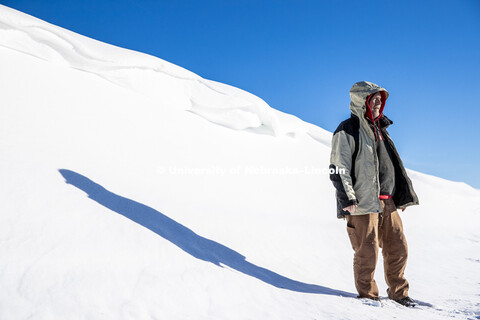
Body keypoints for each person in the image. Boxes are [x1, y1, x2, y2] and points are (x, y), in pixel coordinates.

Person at [329, 81, 419, 307]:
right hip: (360, 203)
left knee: (398, 248)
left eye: (381, 99)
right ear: (363, 101)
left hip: (387, 202)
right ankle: (368, 297)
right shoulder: (348, 129)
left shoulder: (381, 130)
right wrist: (347, 198)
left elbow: (391, 166)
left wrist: (401, 195)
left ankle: (399, 293)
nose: (379, 102)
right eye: (374, 98)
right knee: (366, 252)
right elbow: (338, 167)